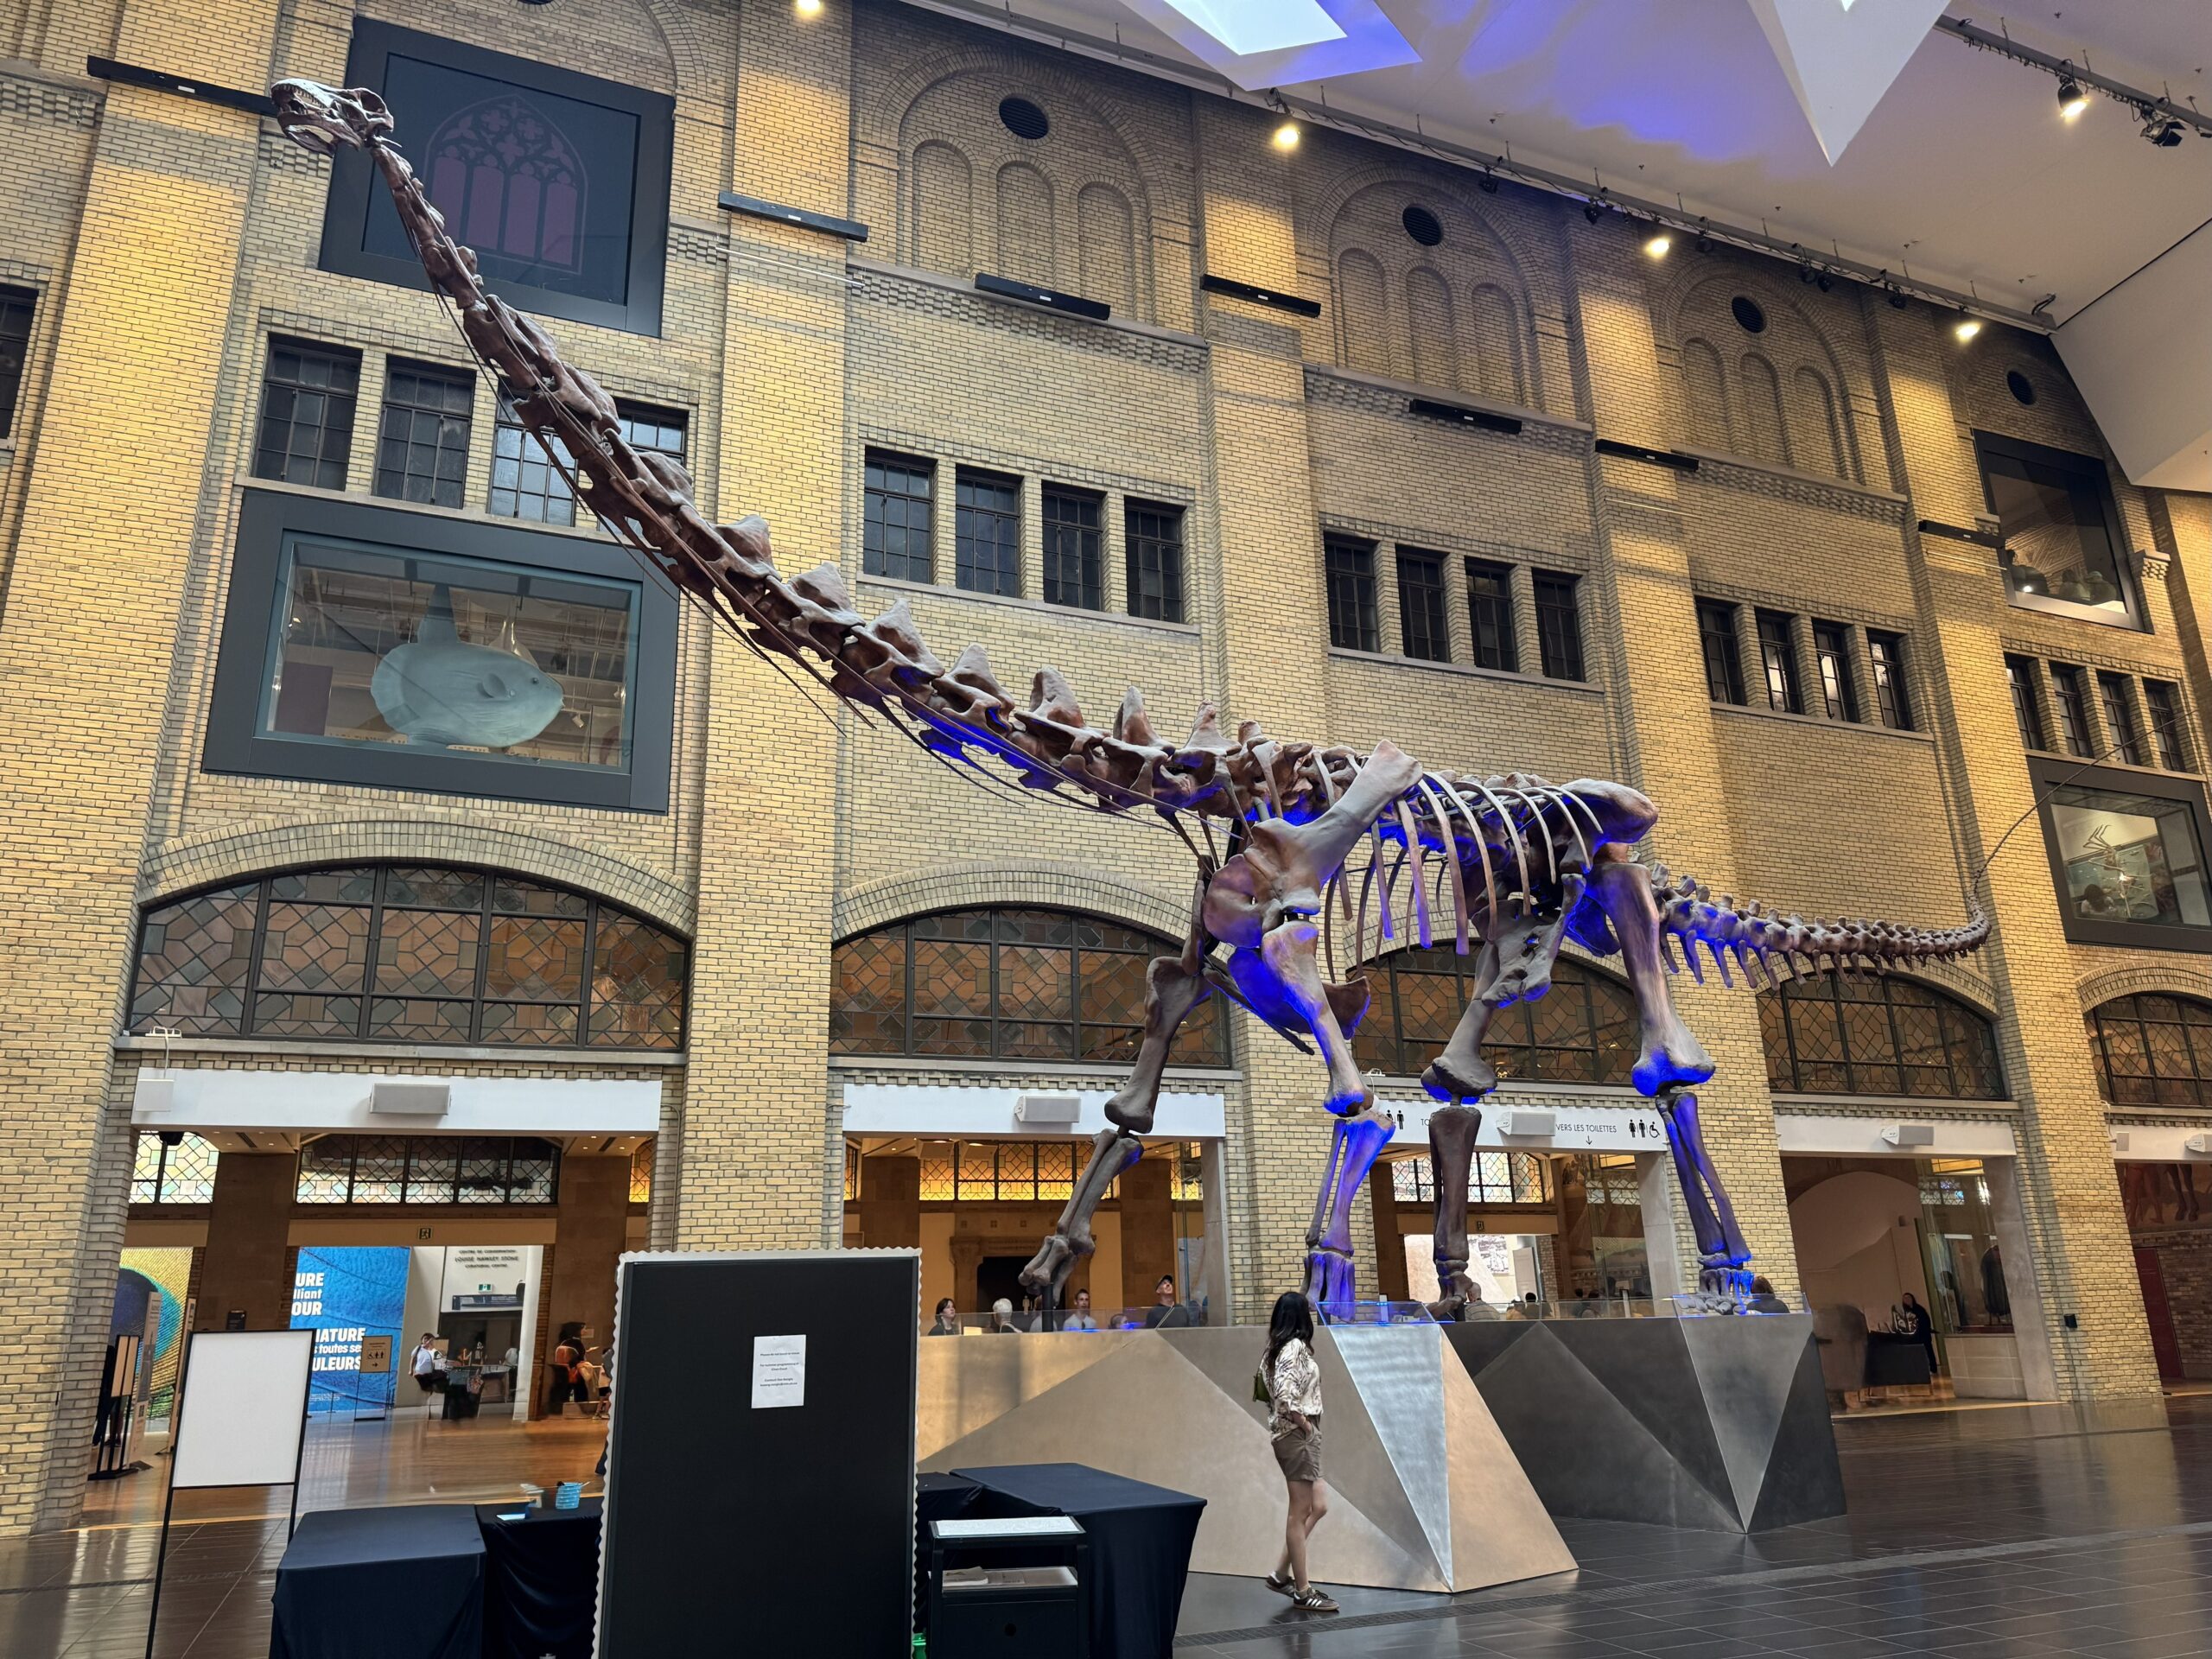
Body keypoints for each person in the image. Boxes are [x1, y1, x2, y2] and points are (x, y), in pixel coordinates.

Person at [1258, 1291, 1337, 1614]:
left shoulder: (1275, 1349)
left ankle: (1280, 1575)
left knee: (1318, 1505)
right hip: (1296, 1435)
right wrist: (1304, 1424)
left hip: (1293, 1435)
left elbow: (1267, 1392)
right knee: (1300, 1511)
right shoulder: (1293, 1348)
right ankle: (1302, 1590)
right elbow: (1283, 1394)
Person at [1899, 1291, 1938, 1377]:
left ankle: (1933, 1368)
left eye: (1909, 1298)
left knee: (1929, 1351)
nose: (1907, 1300)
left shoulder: (1919, 1309)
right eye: (1905, 1298)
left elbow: (1926, 1321)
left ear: (1912, 1298)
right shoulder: (1903, 1311)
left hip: (1923, 1334)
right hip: (1912, 1337)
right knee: (1914, 1353)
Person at [410, 1333, 442, 1399]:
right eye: (425, 1338)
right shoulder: (419, 1348)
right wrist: (411, 1370)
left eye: (428, 1339)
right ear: (422, 1340)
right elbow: (412, 1359)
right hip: (419, 1372)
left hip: (429, 1373)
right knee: (423, 1387)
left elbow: (439, 1359)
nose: (427, 1340)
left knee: (430, 1387)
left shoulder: (433, 1349)